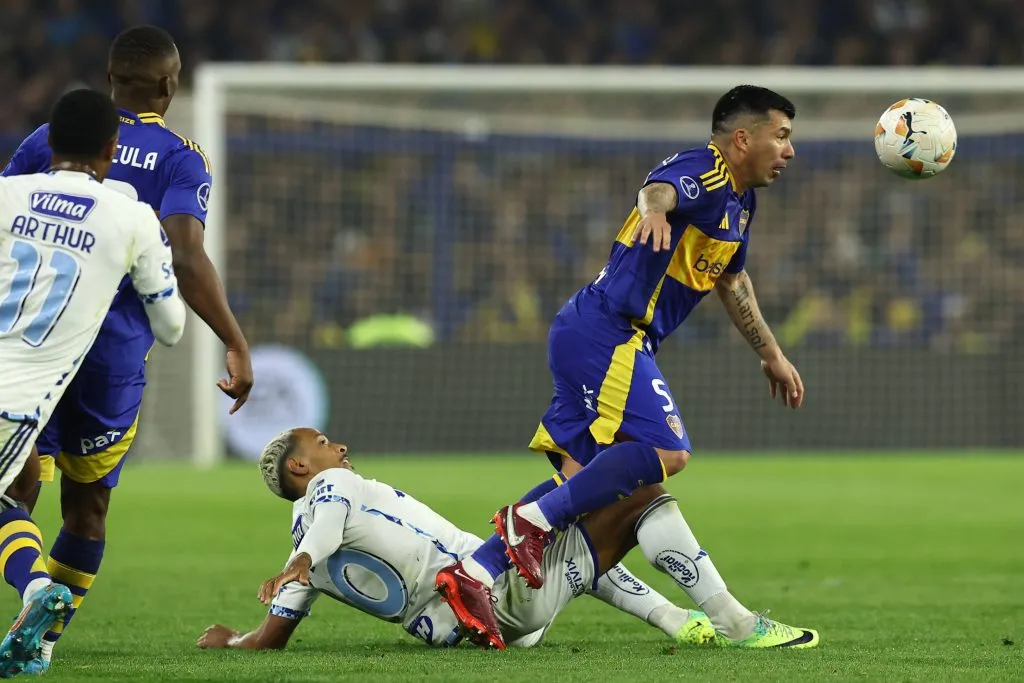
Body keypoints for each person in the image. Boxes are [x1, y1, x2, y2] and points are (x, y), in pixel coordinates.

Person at [438, 85, 818, 650]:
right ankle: (529, 522)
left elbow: (732, 279)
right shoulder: (707, 170)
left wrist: (771, 353)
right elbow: (658, 189)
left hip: (593, 331)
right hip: (610, 332)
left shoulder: (741, 203)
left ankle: (475, 572)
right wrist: (654, 210)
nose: (789, 150)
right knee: (668, 451)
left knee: (597, 484)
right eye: (781, 136)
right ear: (743, 138)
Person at [1, 25, 253, 671]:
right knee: (87, 507)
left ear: (110, 79)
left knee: (14, 488)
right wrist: (233, 340)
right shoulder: (181, 156)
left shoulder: (48, 138)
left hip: (31, 346)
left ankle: (30, 591)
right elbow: (187, 256)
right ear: (170, 85)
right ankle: (42, 641)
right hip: (112, 355)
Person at [195, 428, 717, 652]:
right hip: (494, 593)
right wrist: (307, 555)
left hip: (471, 628)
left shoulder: (300, 551)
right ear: (300, 467)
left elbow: (269, 640)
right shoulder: (330, 492)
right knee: (624, 483)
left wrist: (234, 639)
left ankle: (674, 619)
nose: (341, 447)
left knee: (549, 531)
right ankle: (708, 617)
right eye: (325, 443)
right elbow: (328, 523)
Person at [0, 88, 186, 676]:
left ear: (48, 142)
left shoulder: (5, 195)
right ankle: (39, 629)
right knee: (80, 504)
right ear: (110, 149)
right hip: (40, 397)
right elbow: (172, 328)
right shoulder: (133, 218)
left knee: (8, 503)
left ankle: (35, 590)